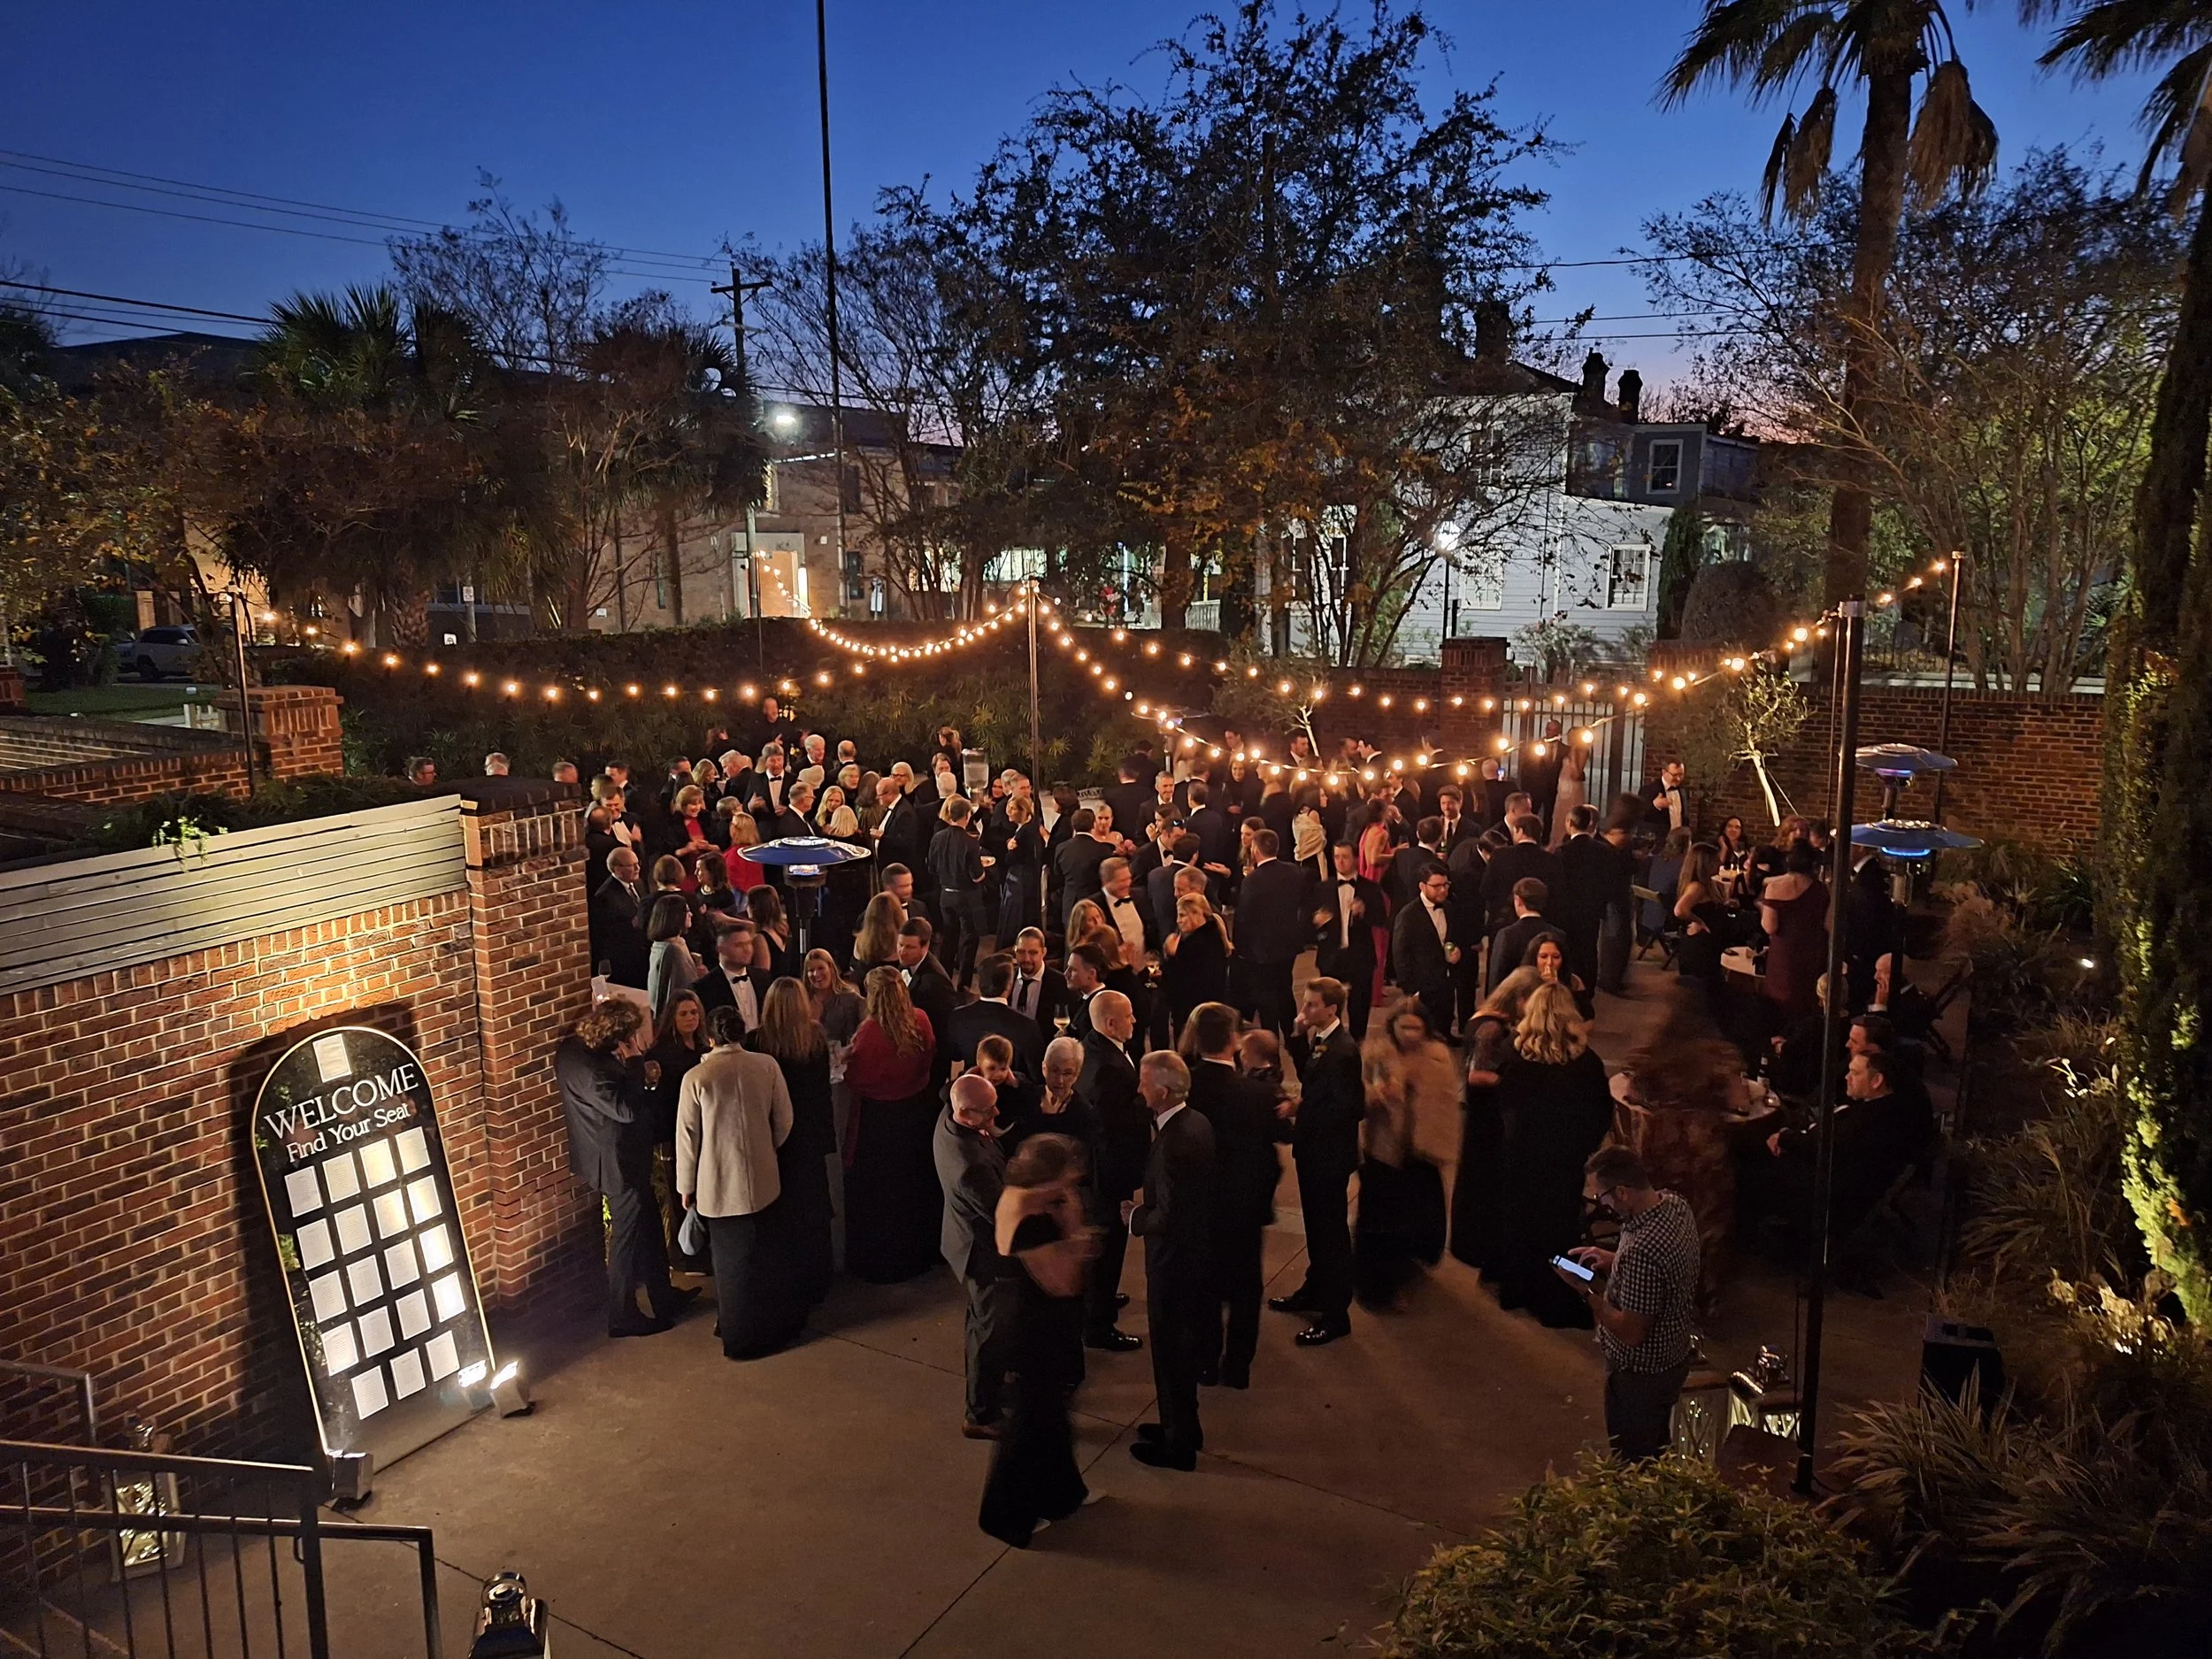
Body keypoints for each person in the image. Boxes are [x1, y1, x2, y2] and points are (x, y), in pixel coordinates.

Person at [976, 1133, 1097, 1548]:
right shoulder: (1037, 1220)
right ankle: (1004, 1517)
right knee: (1030, 1422)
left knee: (1049, 1417)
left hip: (1031, 1319)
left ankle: (1062, 1495)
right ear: (1051, 1176)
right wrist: (1076, 1232)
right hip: (1033, 1329)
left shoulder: (1022, 1195)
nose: (1075, 1181)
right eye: (1069, 1175)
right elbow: (1064, 1283)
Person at [557, 1000, 689, 1337]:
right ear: (617, 1037)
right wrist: (634, 1065)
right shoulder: (591, 1069)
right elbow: (626, 1110)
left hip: (624, 1157)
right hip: (617, 1163)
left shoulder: (575, 1048)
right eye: (630, 1036)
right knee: (626, 1241)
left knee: (648, 1230)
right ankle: (622, 1316)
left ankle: (664, 1297)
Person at [1559, 1147, 1701, 1462]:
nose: (1601, 1204)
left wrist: (1584, 1291)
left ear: (1621, 1192)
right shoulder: (1675, 1206)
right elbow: (1662, 1272)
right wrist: (1614, 1260)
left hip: (1639, 1376)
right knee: (1657, 1447)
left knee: (1634, 1462)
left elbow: (1631, 1331)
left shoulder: (1642, 1251)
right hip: (1673, 1357)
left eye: (1601, 1197)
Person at [1617, 984, 1751, 1313]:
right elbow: (1742, 1104)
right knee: (1704, 1225)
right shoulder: (1719, 1054)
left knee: (1657, 1220)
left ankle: (1648, 1289)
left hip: (1658, 1148)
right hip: (1701, 1152)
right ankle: (1698, 1296)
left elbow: (1632, 1094)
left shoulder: (1651, 1050)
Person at [1491, 983, 1614, 1327]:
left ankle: (1517, 1289)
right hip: (1564, 1159)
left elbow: (1503, 1105)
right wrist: (1583, 1145)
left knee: (1521, 1223)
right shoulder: (1586, 1062)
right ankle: (1562, 1297)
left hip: (1522, 1156)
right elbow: (1601, 1112)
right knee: (1560, 1228)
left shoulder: (1516, 1058)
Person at [677, 1007, 797, 1359]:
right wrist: (767, 1147)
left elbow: (688, 1139)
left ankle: (740, 1337)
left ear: (710, 1037)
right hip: (764, 1179)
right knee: (764, 1259)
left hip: (718, 1185)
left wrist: (686, 1185)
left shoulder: (697, 1078)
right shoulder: (766, 1066)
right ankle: (771, 1328)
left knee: (730, 1268)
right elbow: (785, 1118)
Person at [1126, 1050, 1217, 1471]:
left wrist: (1135, 1218)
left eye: (1144, 1082)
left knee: (1170, 1349)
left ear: (1161, 1092)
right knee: (1180, 1347)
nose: (1139, 1088)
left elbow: (1170, 1212)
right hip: (1194, 1256)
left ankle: (1177, 1445)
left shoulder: (1174, 1142)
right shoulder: (1196, 1122)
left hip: (1174, 1263)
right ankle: (1182, 1426)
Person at [1271, 977, 1362, 1345]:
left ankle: (1335, 1313)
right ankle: (1315, 1287)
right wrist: (1295, 1035)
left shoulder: (1343, 1051)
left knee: (1331, 1232)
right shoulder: (1324, 1042)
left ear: (1332, 1010)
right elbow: (1308, 1069)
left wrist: (1302, 1109)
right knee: (1316, 1227)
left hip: (1328, 1154)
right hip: (1314, 1151)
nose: (1304, 1011)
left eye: (1311, 1005)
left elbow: (1351, 1107)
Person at [1354, 1000, 1459, 1310]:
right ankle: (1376, 1284)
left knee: (1411, 1220)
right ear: (1393, 1026)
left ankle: (1404, 1271)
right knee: (1380, 1220)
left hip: (1420, 1154)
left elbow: (1445, 1102)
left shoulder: (1438, 1056)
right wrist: (1376, 1095)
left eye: (1417, 1027)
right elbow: (1356, 1093)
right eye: (1405, 1027)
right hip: (1384, 1152)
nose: (1411, 1034)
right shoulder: (1375, 1054)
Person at [843, 966, 941, 1282]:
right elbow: (929, 1061)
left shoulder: (869, 1033)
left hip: (879, 1124)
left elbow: (855, 1081)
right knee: (912, 1188)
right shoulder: (921, 1020)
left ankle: (880, 1262)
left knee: (880, 1197)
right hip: (915, 1115)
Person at [1449, 967, 1544, 1273]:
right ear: (1519, 998)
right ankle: (1476, 1245)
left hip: (1484, 1113)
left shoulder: (1489, 1020)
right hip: (1485, 1113)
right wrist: (1513, 1081)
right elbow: (1477, 1075)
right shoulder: (1490, 1028)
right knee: (1483, 1178)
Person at [936, 1072, 1015, 1440]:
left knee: (980, 1322)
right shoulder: (971, 1168)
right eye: (988, 1111)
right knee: (988, 1331)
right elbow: (1004, 1216)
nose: (996, 1112)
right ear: (967, 1116)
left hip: (961, 1240)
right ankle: (980, 1414)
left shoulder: (948, 1118)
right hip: (982, 1254)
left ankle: (990, 1390)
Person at [754, 978, 838, 1312]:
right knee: (814, 1206)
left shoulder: (757, 1041)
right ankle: (819, 1277)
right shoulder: (815, 1038)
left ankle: (786, 1277)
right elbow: (822, 1091)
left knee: (781, 1206)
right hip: (810, 1135)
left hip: (775, 1137)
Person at [1077, 990, 1148, 1352]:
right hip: (1109, 1177)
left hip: (1100, 1173)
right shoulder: (1109, 1071)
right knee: (1107, 1249)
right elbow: (1111, 1135)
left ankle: (1100, 1299)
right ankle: (1098, 1323)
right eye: (1130, 1016)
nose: (1135, 1021)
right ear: (1110, 1023)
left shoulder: (1095, 1046)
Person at [647, 990, 711, 1271]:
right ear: (672, 1017)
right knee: (678, 1196)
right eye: (683, 1013)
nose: (690, 1018)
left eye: (694, 1013)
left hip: (702, 1131)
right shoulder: (661, 1053)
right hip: (673, 1133)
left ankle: (699, 1247)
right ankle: (683, 1255)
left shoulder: (703, 1048)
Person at [1235, 829, 1313, 1033]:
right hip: (1288, 945)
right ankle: (1291, 1033)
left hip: (1262, 949)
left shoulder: (1252, 881)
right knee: (1285, 989)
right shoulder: (1294, 872)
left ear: (1255, 850)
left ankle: (1270, 1039)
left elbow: (1244, 917)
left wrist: (1239, 948)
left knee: (1266, 997)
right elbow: (1303, 904)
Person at [1311, 841, 1387, 1040]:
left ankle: (1356, 1048)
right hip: (1331, 957)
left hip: (1360, 957)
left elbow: (1382, 920)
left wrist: (1364, 912)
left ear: (1355, 859)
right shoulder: (1322, 889)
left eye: (1345, 857)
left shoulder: (1370, 888)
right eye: (1336, 857)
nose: (1340, 862)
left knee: (1359, 1011)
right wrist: (1316, 923)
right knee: (1329, 1012)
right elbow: (1306, 927)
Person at [945, 952, 1048, 1094]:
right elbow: (1037, 1078)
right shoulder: (1027, 1025)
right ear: (1009, 985)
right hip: (1011, 1101)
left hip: (973, 1094)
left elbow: (954, 1057)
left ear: (980, 983)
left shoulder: (958, 1016)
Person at [1760, 844, 1831, 1021]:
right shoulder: (1821, 889)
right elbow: (1828, 924)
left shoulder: (1775, 888)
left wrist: (1762, 907)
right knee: (1806, 1002)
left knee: (1781, 1001)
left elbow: (1770, 927)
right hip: (1812, 951)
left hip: (1784, 952)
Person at [1389, 865, 1462, 1033]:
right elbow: (1400, 955)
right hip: (1422, 985)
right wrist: (1412, 990)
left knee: (1444, 1023)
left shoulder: (1450, 908)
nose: (1443, 890)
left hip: (1446, 980)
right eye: (1437, 886)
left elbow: (1453, 938)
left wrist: (1457, 952)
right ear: (1422, 886)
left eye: (1446, 885)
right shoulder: (1408, 915)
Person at [929, 796, 988, 991]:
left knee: (949, 937)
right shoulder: (970, 843)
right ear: (967, 815)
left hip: (945, 895)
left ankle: (944, 980)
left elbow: (931, 867)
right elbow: (977, 876)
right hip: (966, 897)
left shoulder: (937, 837)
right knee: (970, 939)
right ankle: (964, 984)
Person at [1479, 814, 1563, 937]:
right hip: (1541, 929)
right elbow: (1558, 896)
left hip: (1503, 925)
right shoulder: (1551, 860)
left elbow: (1485, 890)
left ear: (1520, 831)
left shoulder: (1500, 856)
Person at [1160, 892, 1231, 1036]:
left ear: (1196, 914)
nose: (1178, 921)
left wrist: (1171, 956)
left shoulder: (1194, 945)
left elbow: (1178, 982)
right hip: (1210, 1009)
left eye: (1182, 915)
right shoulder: (1214, 933)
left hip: (1193, 1013)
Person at [1486, 877, 1564, 997]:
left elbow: (1496, 978)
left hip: (1515, 1005)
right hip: (1549, 1002)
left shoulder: (1507, 935)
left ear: (1518, 900)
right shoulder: (1558, 935)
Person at [590, 846, 651, 987]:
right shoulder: (605, 896)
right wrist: (631, 925)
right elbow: (604, 932)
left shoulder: (639, 884)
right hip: (626, 960)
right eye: (632, 865)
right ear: (617, 869)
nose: (638, 868)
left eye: (638, 864)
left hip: (644, 953)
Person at [695, 921, 763, 1034]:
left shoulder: (762, 978)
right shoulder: (704, 987)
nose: (747, 950)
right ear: (720, 948)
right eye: (739, 945)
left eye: (749, 943)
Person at [644, 893, 703, 1022]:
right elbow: (683, 988)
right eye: (687, 911)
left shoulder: (674, 943)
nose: (691, 914)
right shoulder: (672, 949)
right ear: (676, 916)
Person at [1007, 927, 1069, 1029]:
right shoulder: (1007, 977)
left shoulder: (1059, 982)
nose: (1026, 959)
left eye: (1033, 953)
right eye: (1021, 952)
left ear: (1043, 952)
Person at [1547, 742, 1588, 850]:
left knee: (1569, 813)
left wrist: (1573, 755)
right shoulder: (1567, 750)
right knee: (1558, 816)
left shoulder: (1582, 750)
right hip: (1563, 789)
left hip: (1572, 788)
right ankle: (1555, 842)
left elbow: (1577, 774)